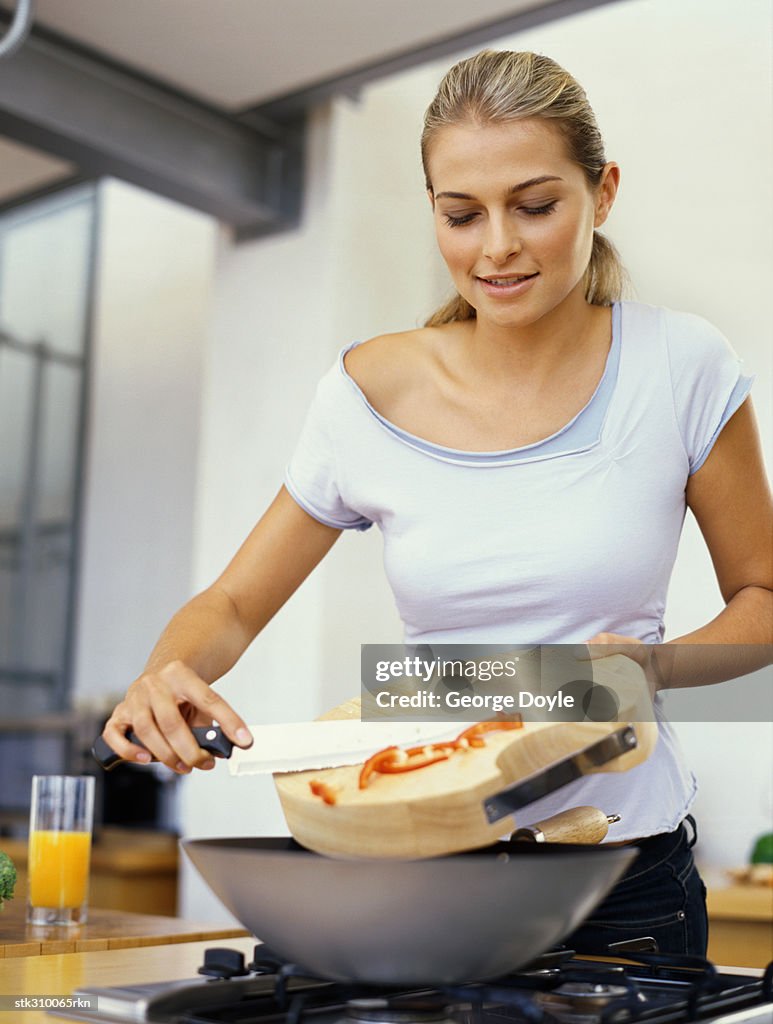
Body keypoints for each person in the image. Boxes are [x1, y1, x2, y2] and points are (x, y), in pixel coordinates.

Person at [101, 50, 772, 956]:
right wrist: (165, 674)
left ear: (602, 192)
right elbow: (230, 603)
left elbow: (763, 605)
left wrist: (654, 669)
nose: (495, 245)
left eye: (535, 205)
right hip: (421, 875)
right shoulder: (364, 392)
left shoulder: (683, 368)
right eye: (460, 214)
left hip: (622, 885)